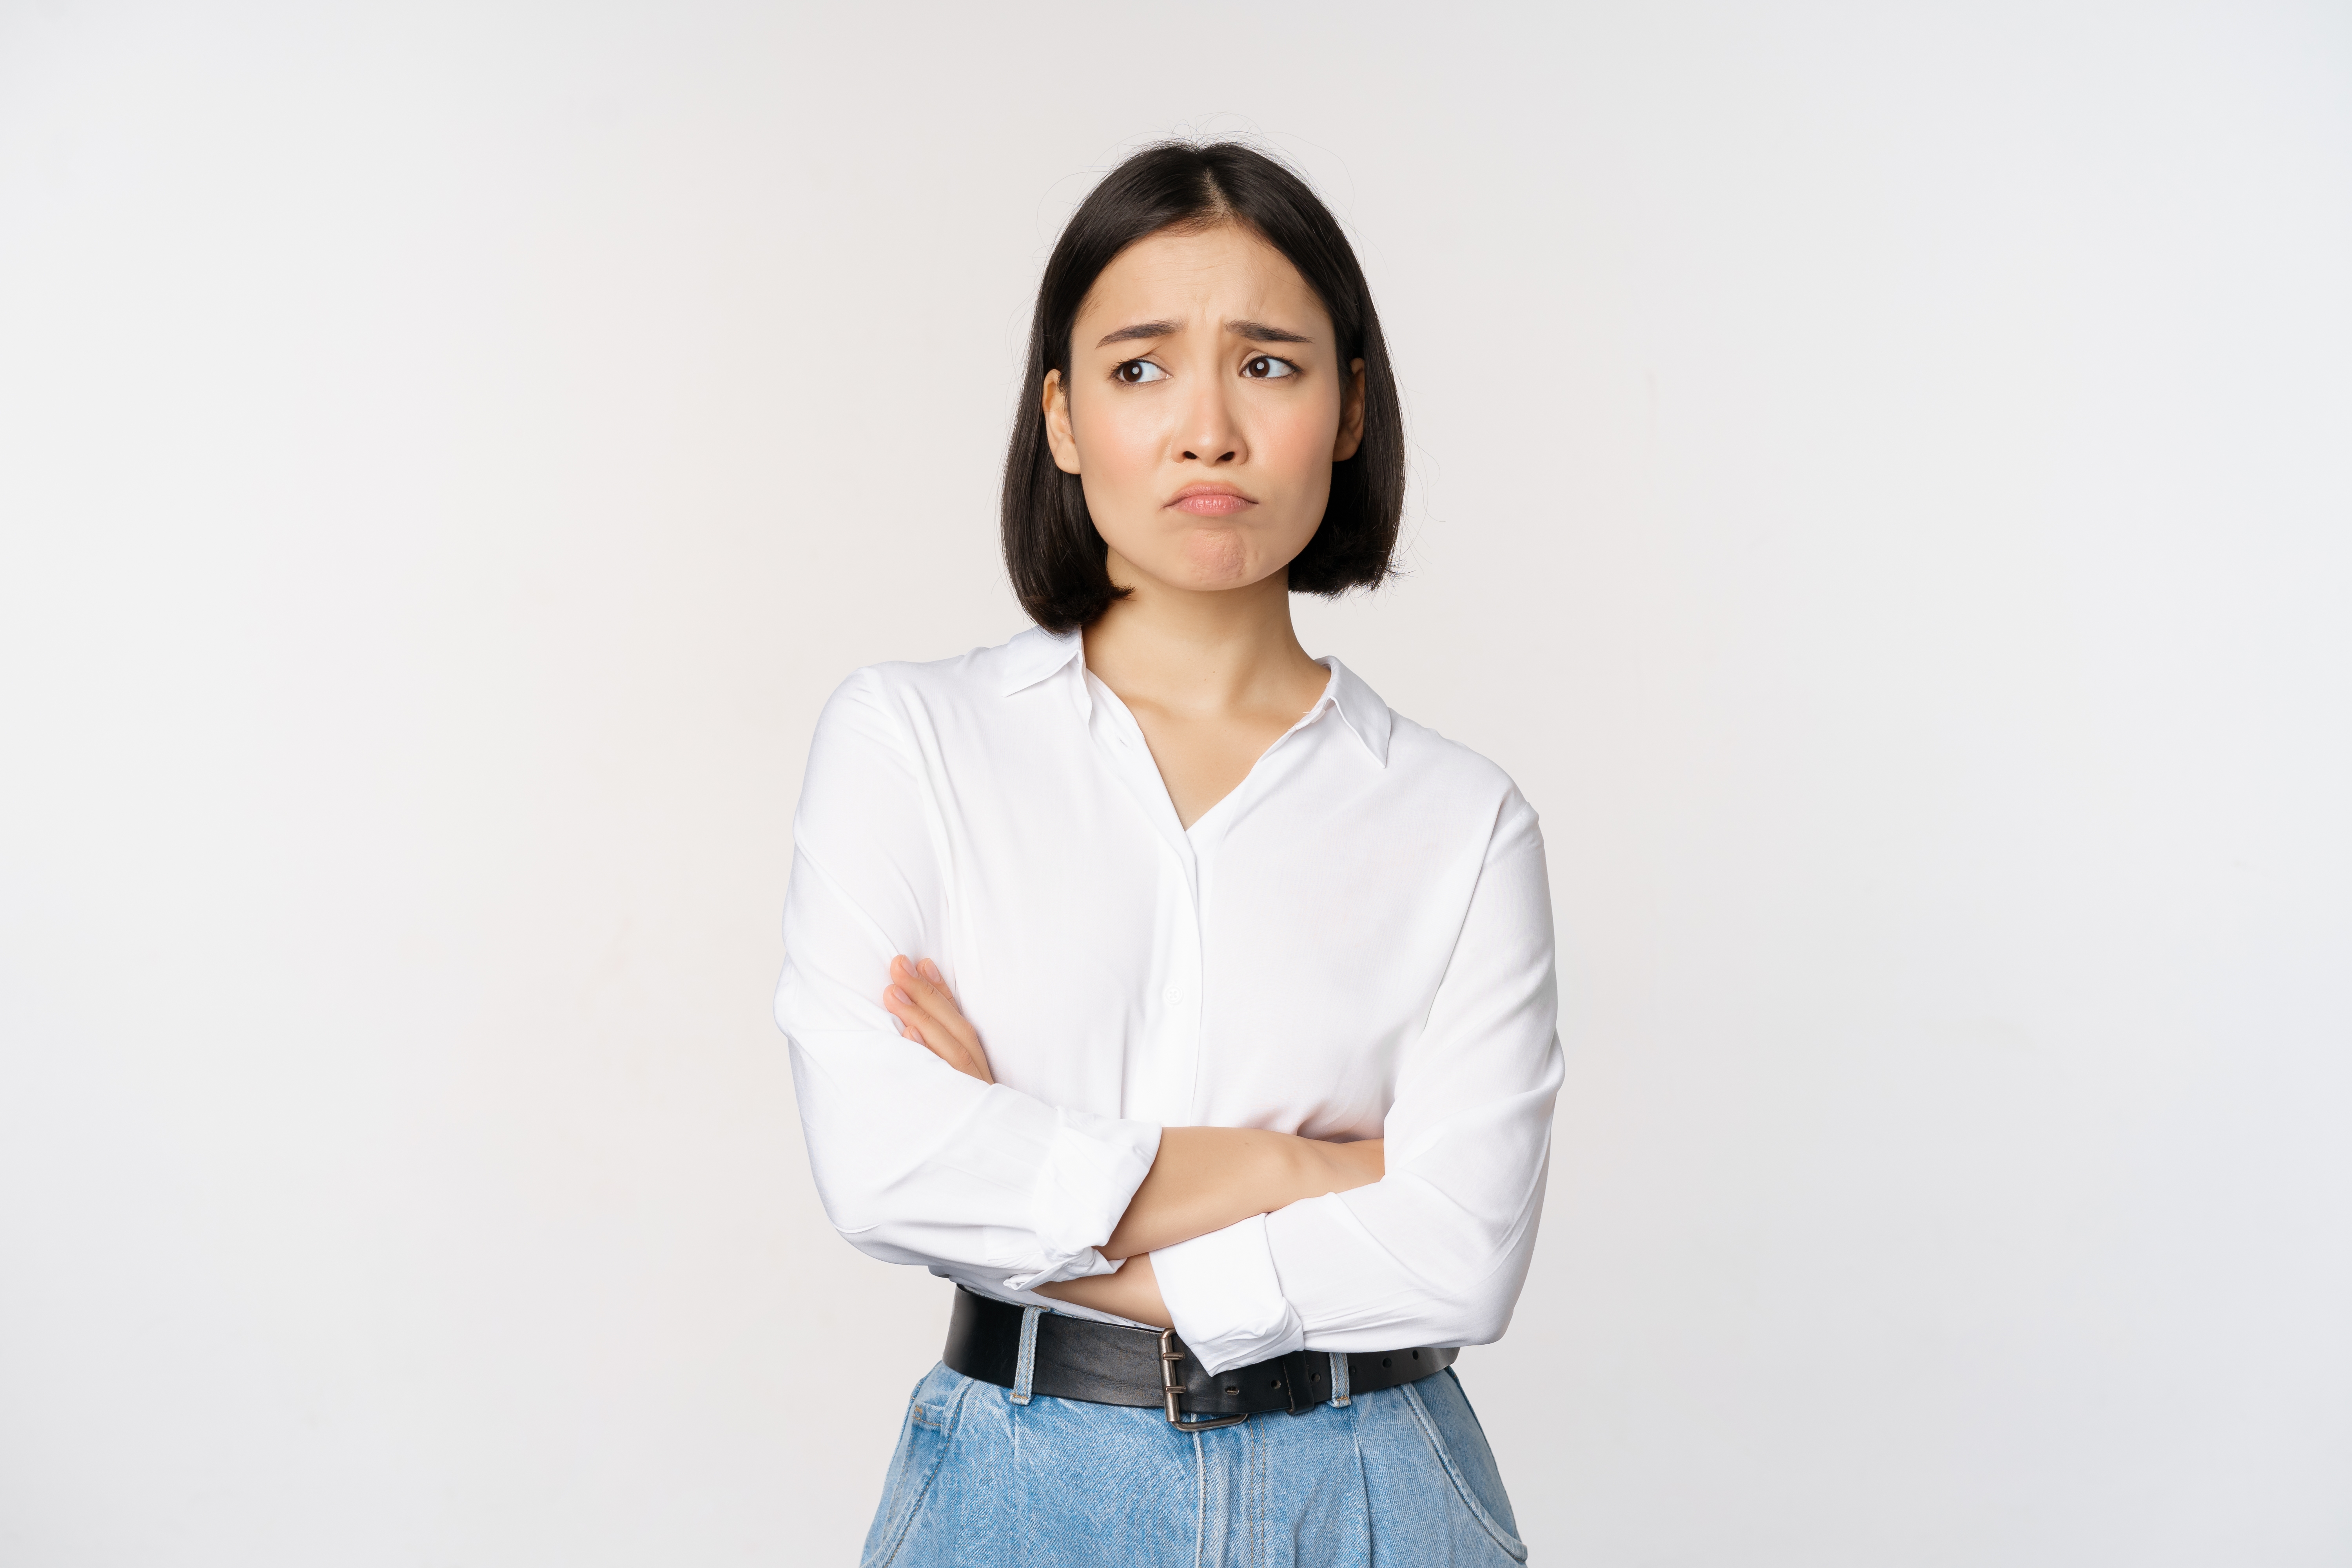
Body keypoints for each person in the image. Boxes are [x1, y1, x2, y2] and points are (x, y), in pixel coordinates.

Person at [774, 141, 1562, 1567]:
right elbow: (885, 1167)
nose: (1208, 428)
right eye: (1142, 369)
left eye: (1267, 365)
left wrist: (1032, 1177)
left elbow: (1461, 1254)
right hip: (1017, 1490)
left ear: (1348, 409)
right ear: (1063, 419)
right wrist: (1312, 1171)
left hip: (1375, 1491)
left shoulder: (1460, 818)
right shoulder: (913, 743)